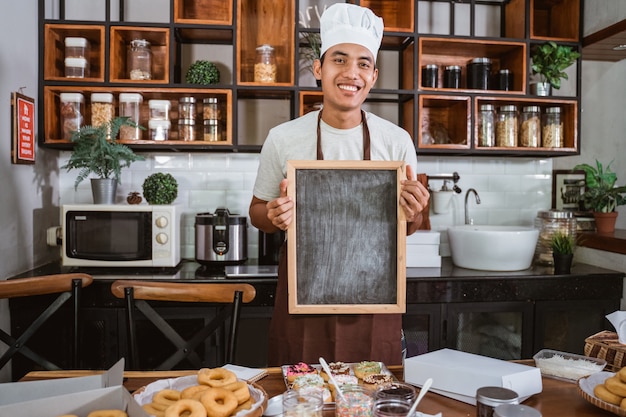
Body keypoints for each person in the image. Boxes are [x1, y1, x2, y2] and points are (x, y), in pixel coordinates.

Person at [248, 3, 430, 366]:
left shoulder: (397, 142)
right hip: (303, 295)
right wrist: (273, 215)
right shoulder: (283, 138)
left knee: (372, 395)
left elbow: (411, 224)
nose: (352, 72)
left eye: (363, 63)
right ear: (318, 68)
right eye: (340, 60)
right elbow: (257, 213)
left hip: (375, 299)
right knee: (302, 396)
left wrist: (416, 209)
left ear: (374, 76)